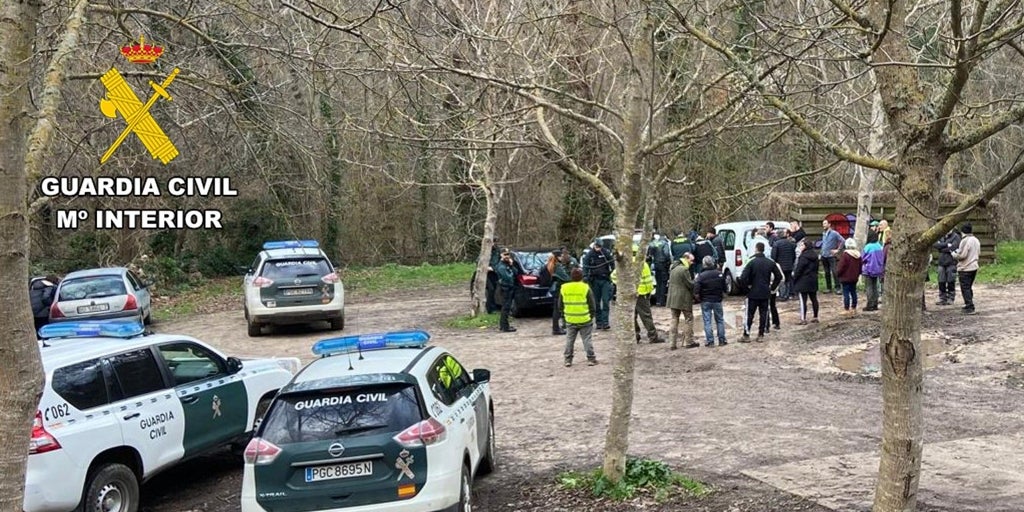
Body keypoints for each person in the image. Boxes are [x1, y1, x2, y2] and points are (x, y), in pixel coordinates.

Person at [611, 249, 666, 343]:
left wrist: (623, 285)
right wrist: (650, 292)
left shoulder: (625, 265)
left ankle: (635, 336)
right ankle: (653, 336)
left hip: (630, 294)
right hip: (642, 294)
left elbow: (613, 276)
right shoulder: (642, 264)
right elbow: (648, 280)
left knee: (632, 316)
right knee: (646, 316)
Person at [739, 242, 782, 342]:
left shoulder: (751, 262)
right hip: (765, 292)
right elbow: (778, 276)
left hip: (753, 292)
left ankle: (746, 334)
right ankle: (761, 334)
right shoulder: (770, 262)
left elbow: (743, 278)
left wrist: (746, 289)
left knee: (749, 314)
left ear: (756, 249)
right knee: (764, 314)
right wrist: (772, 288)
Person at [559, 268, 598, 367]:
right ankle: (591, 359)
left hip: (570, 318)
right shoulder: (585, 287)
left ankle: (568, 360)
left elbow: (560, 305)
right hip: (584, 318)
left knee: (569, 340)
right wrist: (591, 316)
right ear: (582, 277)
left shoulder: (564, 287)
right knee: (587, 339)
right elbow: (592, 305)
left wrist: (564, 316)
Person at [693, 255, 728, 347]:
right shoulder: (719, 274)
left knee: (707, 321)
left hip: (705, 301)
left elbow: (696, 290)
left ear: (703, 264)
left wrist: (699, 298)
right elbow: (725, 287)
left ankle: (710, 341)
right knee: (720, 320)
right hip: (717, 300)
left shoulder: (700, 276)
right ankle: (722, 340)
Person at [667, 252, 699, 350]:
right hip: (683, 298)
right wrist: (696, 280)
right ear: (686, 258)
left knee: (674, 319)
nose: (692, 262)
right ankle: (689, 341)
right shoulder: (684, 269)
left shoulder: (673, 268)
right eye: (691, 260)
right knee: (689, 319)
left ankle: (672, 343)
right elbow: (690, 284)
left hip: (673, 298)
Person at [582, 241, 614, 329]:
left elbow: (612, 263)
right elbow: (585, 266)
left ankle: (605, 322)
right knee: (596, 302)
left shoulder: (605, 253)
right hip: (594, 280)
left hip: (605, 280)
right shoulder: (589, 254)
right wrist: (585, 276)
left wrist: (613, 273)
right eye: (597, 246)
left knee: (606, 301)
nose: (598, 248)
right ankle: (599, 322)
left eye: (600, 246)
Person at [792, 238, 820, 324]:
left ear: (805, 246)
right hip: (813, 279)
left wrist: (794, 278)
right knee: (814, 299)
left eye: (802, 245)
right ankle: (815, 316)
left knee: (803, 300)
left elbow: (799, 269)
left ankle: (803, 319)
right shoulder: (815, 256)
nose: (801, 247)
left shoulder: (803, 257)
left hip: (803, 280)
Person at [954, 223, 981, 314]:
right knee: (969, 287)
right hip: (974, 266)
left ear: (962, 232)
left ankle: (969, 306)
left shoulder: (965, 241)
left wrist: (954, 255)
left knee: (965, 288)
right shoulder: (976, 240)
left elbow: (962, 255)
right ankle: (969, 304)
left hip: (965, 267)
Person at [934, 228, 961, 305]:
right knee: (941, 281)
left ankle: (951, 297)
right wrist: (947, 244)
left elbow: (953, 247)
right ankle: (942, 298)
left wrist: (942, 248)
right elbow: (936, 245)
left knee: (951, 280)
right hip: (941, 262)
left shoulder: (956, 236)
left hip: (951, 262)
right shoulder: (941, 236)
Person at [495, 248, 520, 332]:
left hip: (509, 288)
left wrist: (511, 265)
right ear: (501, 255)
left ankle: (504, 325)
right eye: (505, 254)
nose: (507, 256)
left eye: (508, 254)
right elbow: (508, 277)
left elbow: (516, 273)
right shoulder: (501, 266)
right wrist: (511, 270)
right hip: (505, 288)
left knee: (507, 308)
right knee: (505, 308)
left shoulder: (507, 264)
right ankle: (504, 327)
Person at [837, 238, 863, 314]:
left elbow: (841, 266)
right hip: (854, 277)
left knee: (846, 293)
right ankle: (854, 308)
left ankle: (846, 309)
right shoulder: (858, 255)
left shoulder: (845, 255)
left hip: (845, 277)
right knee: (853, 292)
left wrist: (838, 273)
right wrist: (858, 274)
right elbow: (860, 266)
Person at [549, 250, 572, 335]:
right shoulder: (557, 266)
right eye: (561, 256)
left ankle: (556, 328)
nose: (562, 257)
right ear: (558, 257)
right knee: (557, 310)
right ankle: (556, 329)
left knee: (556, 309)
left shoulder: (551, 265)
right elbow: (566, 278)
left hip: (555, 289)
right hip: (558, 290)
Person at [820, 220, 845, 295]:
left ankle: (838, 287)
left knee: (834, 272)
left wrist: (838, 250)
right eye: (823, 224)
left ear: (829, 224)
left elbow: (843, 240)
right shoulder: (824, 233)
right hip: (824, 255)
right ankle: (829, 288)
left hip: (831, 256)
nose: (823, 225)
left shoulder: (834, 233)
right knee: (826, 272)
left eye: (825, 224)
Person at [771, 229, 797, 300]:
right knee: (788, 280)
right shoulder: (790, 243)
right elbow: (794, 255)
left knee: (781, 280)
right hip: (789, 265)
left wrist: (776, 263)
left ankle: (782, 295)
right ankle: (789, 294)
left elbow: (773, 256)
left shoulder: (776, 244)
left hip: (780, 265)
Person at [861, 236, 884, 311]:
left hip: (869, 269)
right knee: (875, 287)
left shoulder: (868, 246)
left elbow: (862, 257)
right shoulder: (879, 246)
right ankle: (875, 304)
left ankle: (870, 304)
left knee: (869, 287)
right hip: (878, 269)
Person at [648, 234, 672, 307]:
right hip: (663, 265)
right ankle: (662, 301)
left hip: (656, 264)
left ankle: (657, 300)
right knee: (663, 283)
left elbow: (650, 254)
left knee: (658, 283)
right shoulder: (664, 243)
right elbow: (667, 253)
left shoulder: (653, 243)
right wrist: (668, 261)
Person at [485, 239, 501, 313]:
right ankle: (490, 308)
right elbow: (479, 261)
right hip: (486, 274)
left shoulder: (498, 251)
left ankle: (494, 306)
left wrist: (493, 268)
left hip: (495, 273)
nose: (493, 243)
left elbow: (500, 262)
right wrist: (485, 267)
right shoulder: (485, 250)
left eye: (494, 242)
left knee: (495, 289)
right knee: (490, 289)